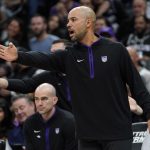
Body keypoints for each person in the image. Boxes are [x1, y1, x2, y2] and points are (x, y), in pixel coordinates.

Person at [0, 6, 150, 150]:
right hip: (87, 136)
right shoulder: (68, 56)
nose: (68, 24)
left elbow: (137, 85)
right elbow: (42, 58)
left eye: (73, 20)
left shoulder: (117, 50)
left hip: (117, 133)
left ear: (88, 22)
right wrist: (18, 56)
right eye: (67, 21)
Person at [23, 83, 77, 150]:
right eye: (36, 99)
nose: (39, 103)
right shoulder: (29, 122)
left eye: (44, 99)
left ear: (54, 100)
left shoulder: (68, 121)